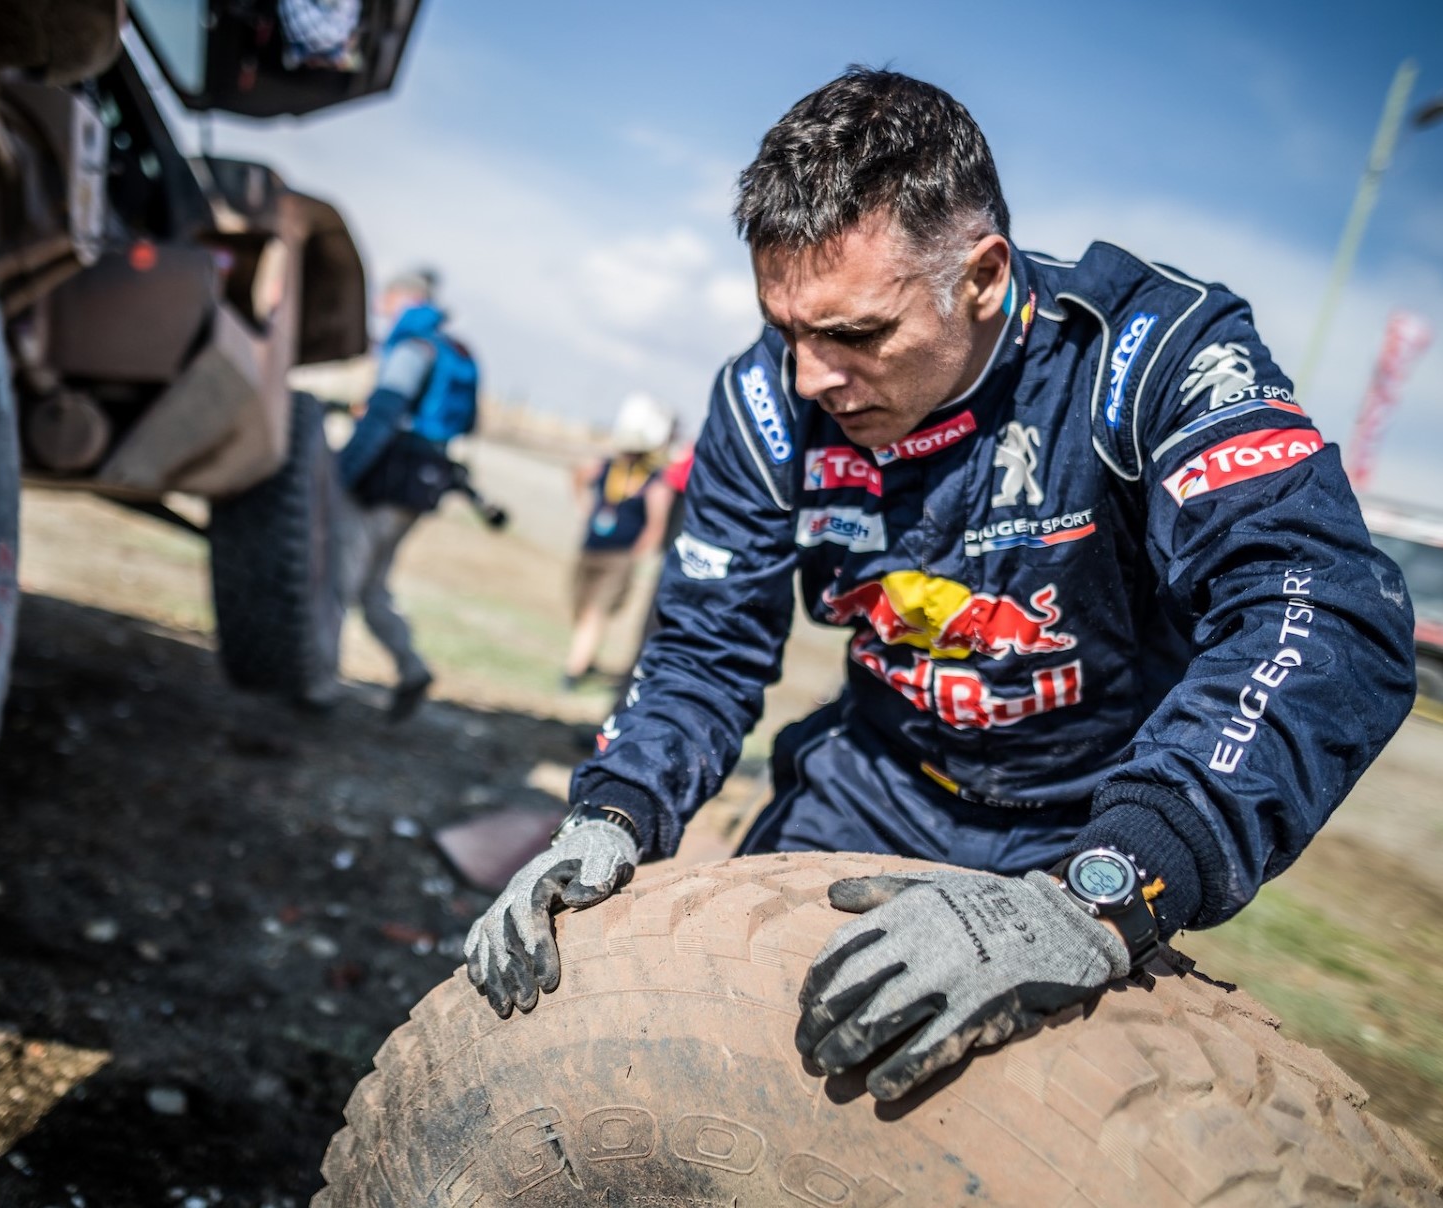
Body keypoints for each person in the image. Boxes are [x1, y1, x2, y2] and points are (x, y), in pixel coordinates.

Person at [463, 68, 1416, 1102]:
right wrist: (610, 812)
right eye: (786, 328)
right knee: (712, 1086)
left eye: (856, 334)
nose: (811, 376)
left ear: (982, 274)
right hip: (872, 787)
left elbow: (1321, 607)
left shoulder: (1146, 354)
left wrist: (1114, 879)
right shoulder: (760, 402)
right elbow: (702, 646)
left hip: (1092, 816)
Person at [337, 269, 480, 719]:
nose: (380, 303)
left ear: (404, 298)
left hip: (385, 480)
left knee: (339, 579)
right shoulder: (450, 349)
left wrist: (343, 473)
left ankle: (315, 680)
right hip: (421, 483)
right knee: (372, 585)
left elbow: (383, 412)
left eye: (386, 296)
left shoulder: (413, 345)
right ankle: (411, 666)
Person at [562, 394, 677, 691]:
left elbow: (656, 525)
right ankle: (584, 658)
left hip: (620, 557)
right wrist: (584, 507)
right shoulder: (605, 467)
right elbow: (577, 474)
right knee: (580, 607)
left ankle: (573, 671)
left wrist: (635, 554)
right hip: (590, 548)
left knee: (595, 612)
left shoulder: (654, 481)